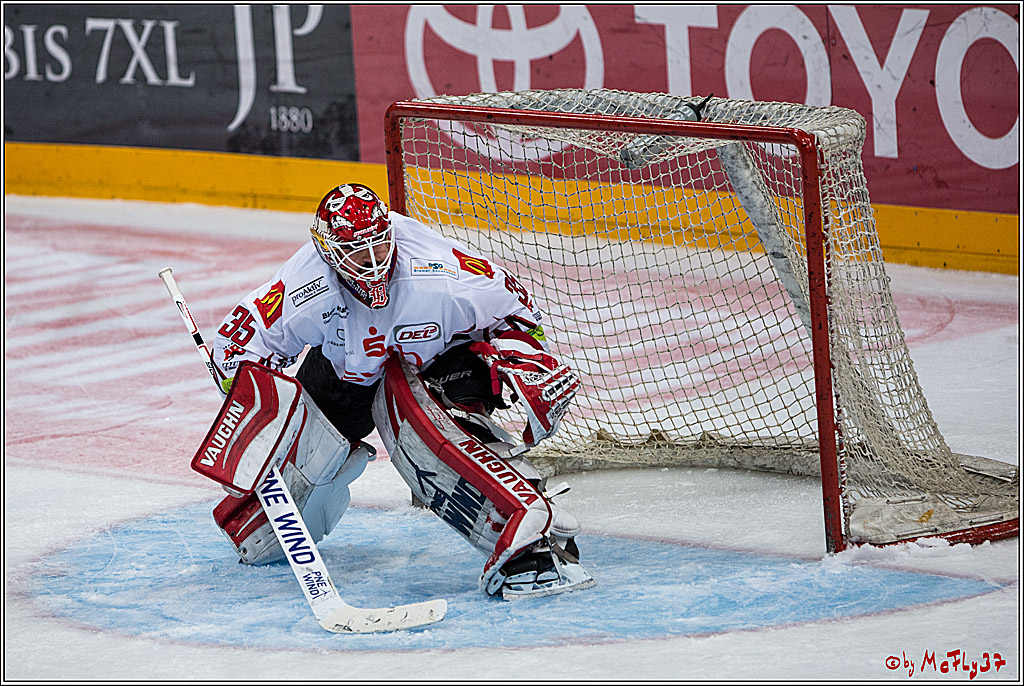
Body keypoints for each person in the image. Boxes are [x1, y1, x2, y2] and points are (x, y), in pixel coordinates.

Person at [202, 182, 593, 598]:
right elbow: (237, 347)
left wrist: (527, 362)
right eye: (357, 253)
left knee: (426, 427)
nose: (372, 264)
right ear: (329, 252)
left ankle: (529, 534)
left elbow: (515, 306)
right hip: (346, 375)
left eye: (378, 247)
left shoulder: (439, 270)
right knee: (258, 539)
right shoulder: (305, 287)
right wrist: (257, 408)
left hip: (440, 365)